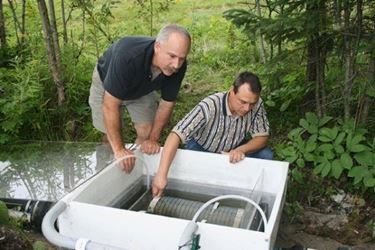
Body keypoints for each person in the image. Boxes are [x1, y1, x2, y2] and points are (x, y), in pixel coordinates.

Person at [88, 24, 191, 173]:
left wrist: (153, 139)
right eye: (172, 56)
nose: (176, 65)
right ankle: (107, 170)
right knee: (109, 137)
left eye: (181, 58)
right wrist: (120, 149)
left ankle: (138, 172)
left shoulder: (178, 66)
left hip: (143, 87)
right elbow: (110, 105)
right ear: (157, 47)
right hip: (107, 85)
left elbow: (166, 104)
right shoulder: (128, 55)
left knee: (147, 133)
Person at [152, 71, 273, 197]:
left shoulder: (257, 105)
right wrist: (161, 174)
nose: (247, 108)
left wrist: (241, 150)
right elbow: (176, 134)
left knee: (266, 155)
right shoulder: (210, 105)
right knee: (197, 178)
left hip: (233, 150)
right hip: (202, 148)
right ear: (232, 91)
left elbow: (262, 137)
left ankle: (246, 189)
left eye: (252, 103)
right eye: (242, 102)